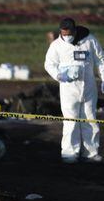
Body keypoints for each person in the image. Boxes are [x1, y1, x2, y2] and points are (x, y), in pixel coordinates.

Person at [44, 18, 104, 163]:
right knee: (71, 121)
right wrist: (60, 75)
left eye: (68, 34)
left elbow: (101, 60)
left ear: (74, 31)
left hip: (89, 88)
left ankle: (91, 152)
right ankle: (70, 153)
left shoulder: (89, 41)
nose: (66, 37)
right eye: (63, 34)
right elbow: (49, 64)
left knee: (90, 120)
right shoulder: (57, 45)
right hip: (68, 90)